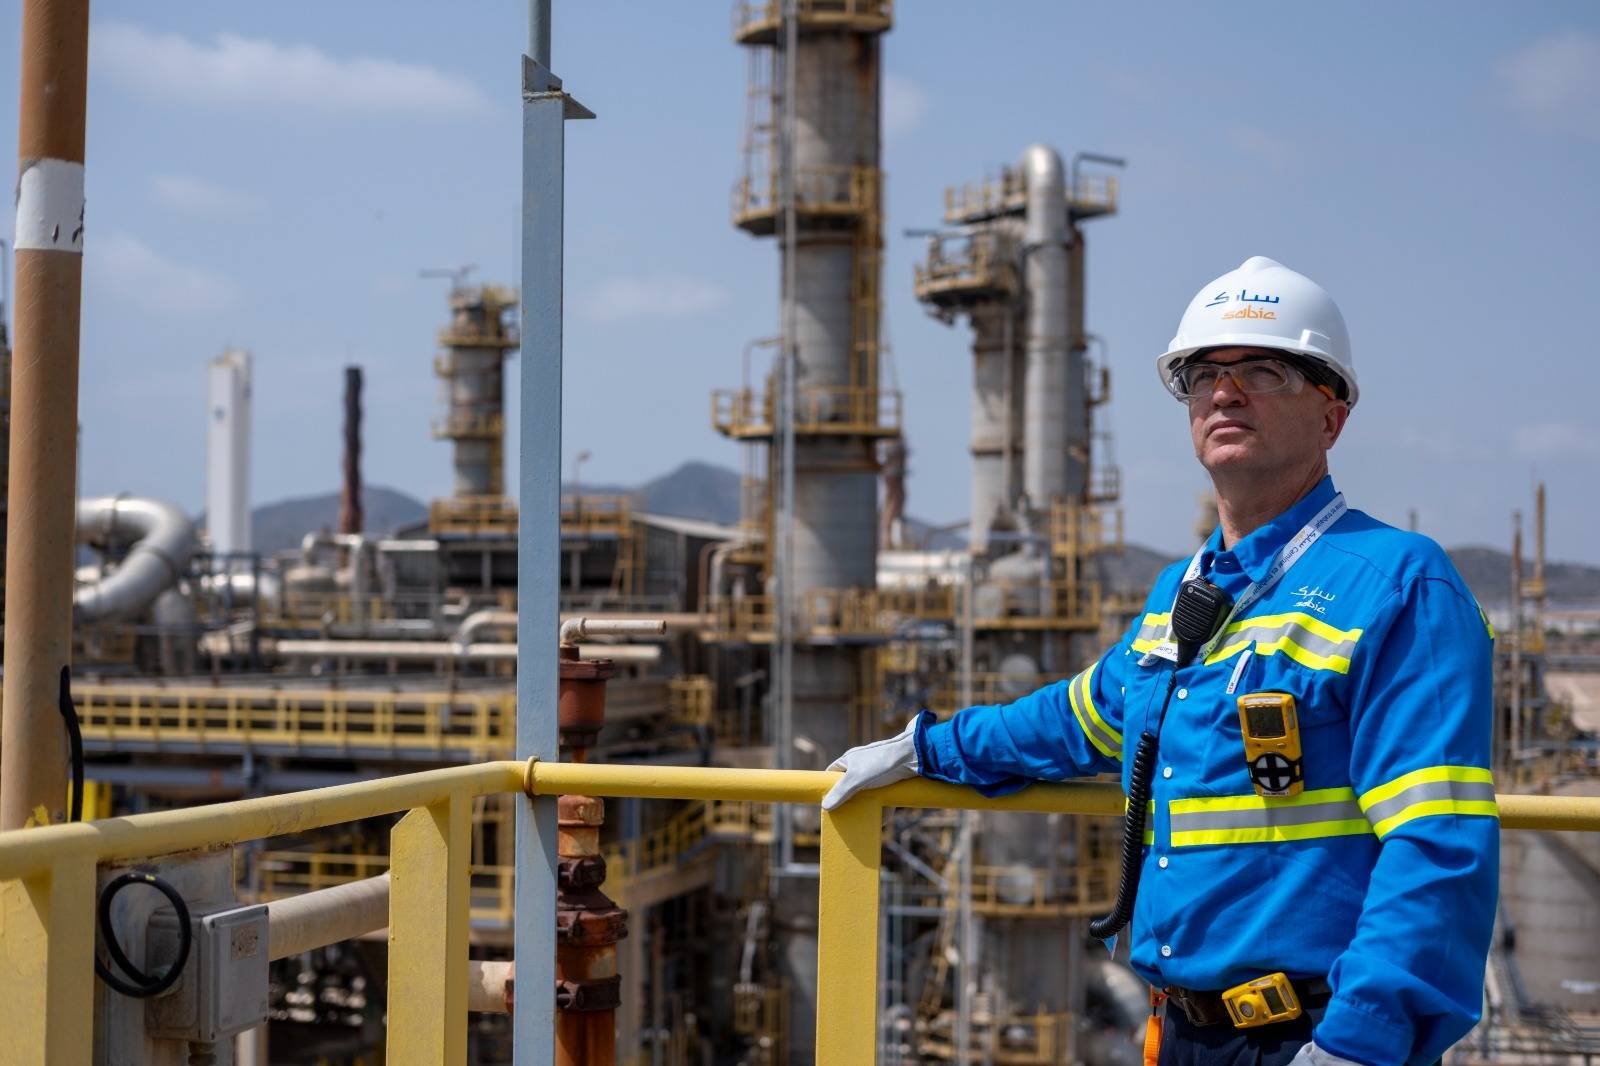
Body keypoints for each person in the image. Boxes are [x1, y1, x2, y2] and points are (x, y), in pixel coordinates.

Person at [822, 257, 1499, 1066]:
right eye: (1202, 375)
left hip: (1308, 1035)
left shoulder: (1396, 585)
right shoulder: (1185, 591)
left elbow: (1437, 840)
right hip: (1179, 1032)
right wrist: (926, 747)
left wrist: (1362, 1041)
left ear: (1332, 416)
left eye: (1264, 370)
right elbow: (1081, 717)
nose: (1225, 393)